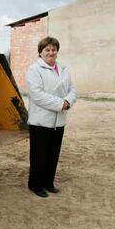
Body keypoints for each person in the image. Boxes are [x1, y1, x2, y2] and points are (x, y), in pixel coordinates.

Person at [26, 36, 77, 198]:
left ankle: (49, 183)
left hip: (59, 121)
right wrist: (60, 104)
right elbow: (37, 94)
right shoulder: (34, 70)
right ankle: (35, 184)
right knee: (39, 156)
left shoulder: (64, 69)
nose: (51, 52)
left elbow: (72, 89)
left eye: (53, 49)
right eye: (47, 50)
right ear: (40, 53)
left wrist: (68, 101)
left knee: (53, 154)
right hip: (40, 121)